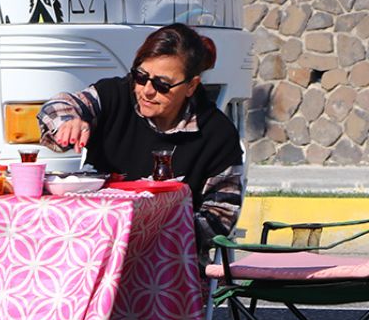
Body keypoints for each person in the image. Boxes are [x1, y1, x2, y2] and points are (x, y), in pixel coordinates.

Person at [37, 23, 245, 249]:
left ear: (191, 86)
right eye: (140, 76)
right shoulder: (114, 95)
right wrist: (69, 121)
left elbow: (221, 216)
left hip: (169, 259)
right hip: (94, 243)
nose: (147, 90)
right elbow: (59, 105)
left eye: (162, 85)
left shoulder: (216, 133)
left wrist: (150, 234)